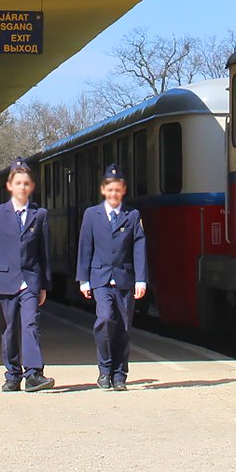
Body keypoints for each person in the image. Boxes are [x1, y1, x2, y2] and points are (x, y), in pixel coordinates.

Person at [0, 159, 54, 392]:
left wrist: (44, 286)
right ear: (10, 185)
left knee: (31, 323)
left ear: (31, 186)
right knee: (9, 329)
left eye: (26, 183)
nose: (22, 187)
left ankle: (34, 374)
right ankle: (12, 374)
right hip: (5, 280)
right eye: (18, 183)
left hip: (30, 280)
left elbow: (44, 253)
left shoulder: (40, 215)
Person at [75, 163, 147, 391]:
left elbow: (139, 248)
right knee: (105, 319)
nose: (114, 194)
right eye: (110, 189)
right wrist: (83, 279)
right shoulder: (91, 215)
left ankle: (119, 374)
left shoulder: (132, 216)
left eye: (118, 190)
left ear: (123, 190)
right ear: (103, 190)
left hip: (125, 278)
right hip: (100, 278)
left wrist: (141, 279)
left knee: (124, 327)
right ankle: (104, 369)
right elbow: (85, 247)